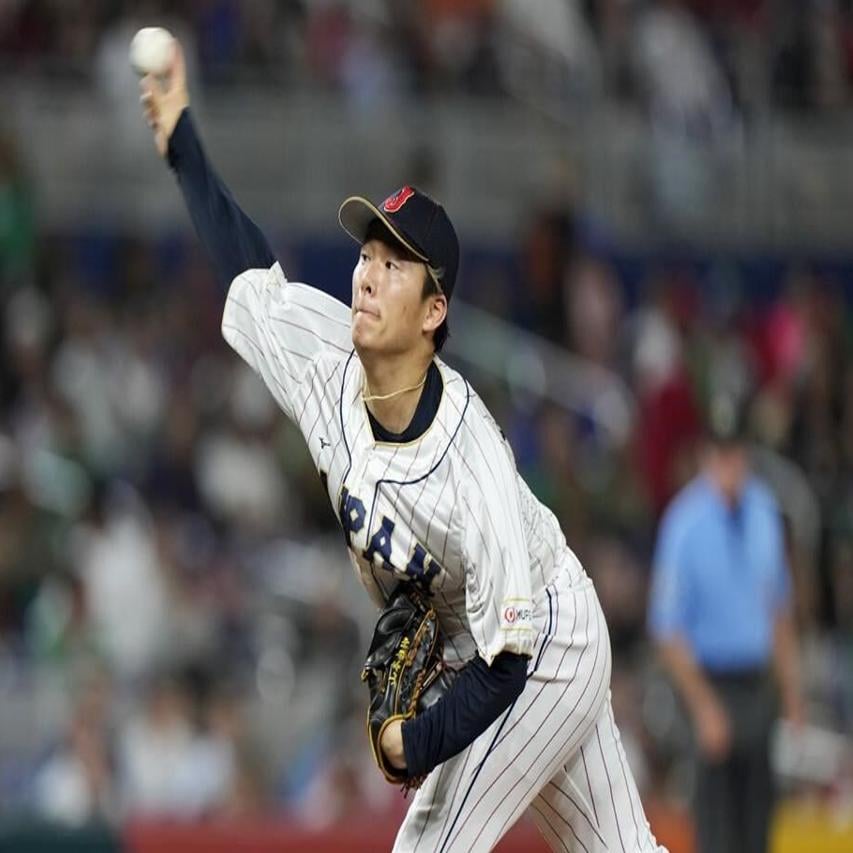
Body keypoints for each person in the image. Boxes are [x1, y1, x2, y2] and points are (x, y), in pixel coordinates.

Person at [139, 41, 667, 853]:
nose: (366, 273)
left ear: (432, 311)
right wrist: (181, 140)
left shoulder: (470, 462)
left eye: (394, 264)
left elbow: (506, 660)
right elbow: (249, 270)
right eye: (365, 254)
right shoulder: (323, 362)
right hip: (486, 640)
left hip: (539, 641)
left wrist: (408, 744)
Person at [648, 395, 803, 853]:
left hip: (758, 685)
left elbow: (779, 607)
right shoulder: (684, 523)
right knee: (717, 832)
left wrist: (791, 690)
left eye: (736, 452)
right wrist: (703, 706)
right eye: (720, 452)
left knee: (759, 828)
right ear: (705, 456)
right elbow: (667, 629)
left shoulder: (764, 511)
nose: (729, 463)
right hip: (710, 683)